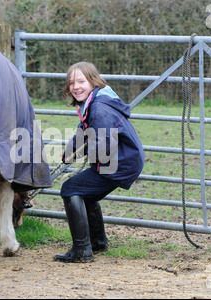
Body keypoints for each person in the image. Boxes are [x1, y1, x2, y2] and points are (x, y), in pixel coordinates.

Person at [54, 62, 145, 263]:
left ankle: (82, 250)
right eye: (71, 83)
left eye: (81, 81)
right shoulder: (95, 101)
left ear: (93, 81)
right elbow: (84, 128)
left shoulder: (99, 108)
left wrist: (85, 150)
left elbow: (101, 142)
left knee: (70, 189)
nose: (75, 87)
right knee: (85, 191)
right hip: (122, 158)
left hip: (120, 162)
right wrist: (68, 153)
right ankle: (97, 242)